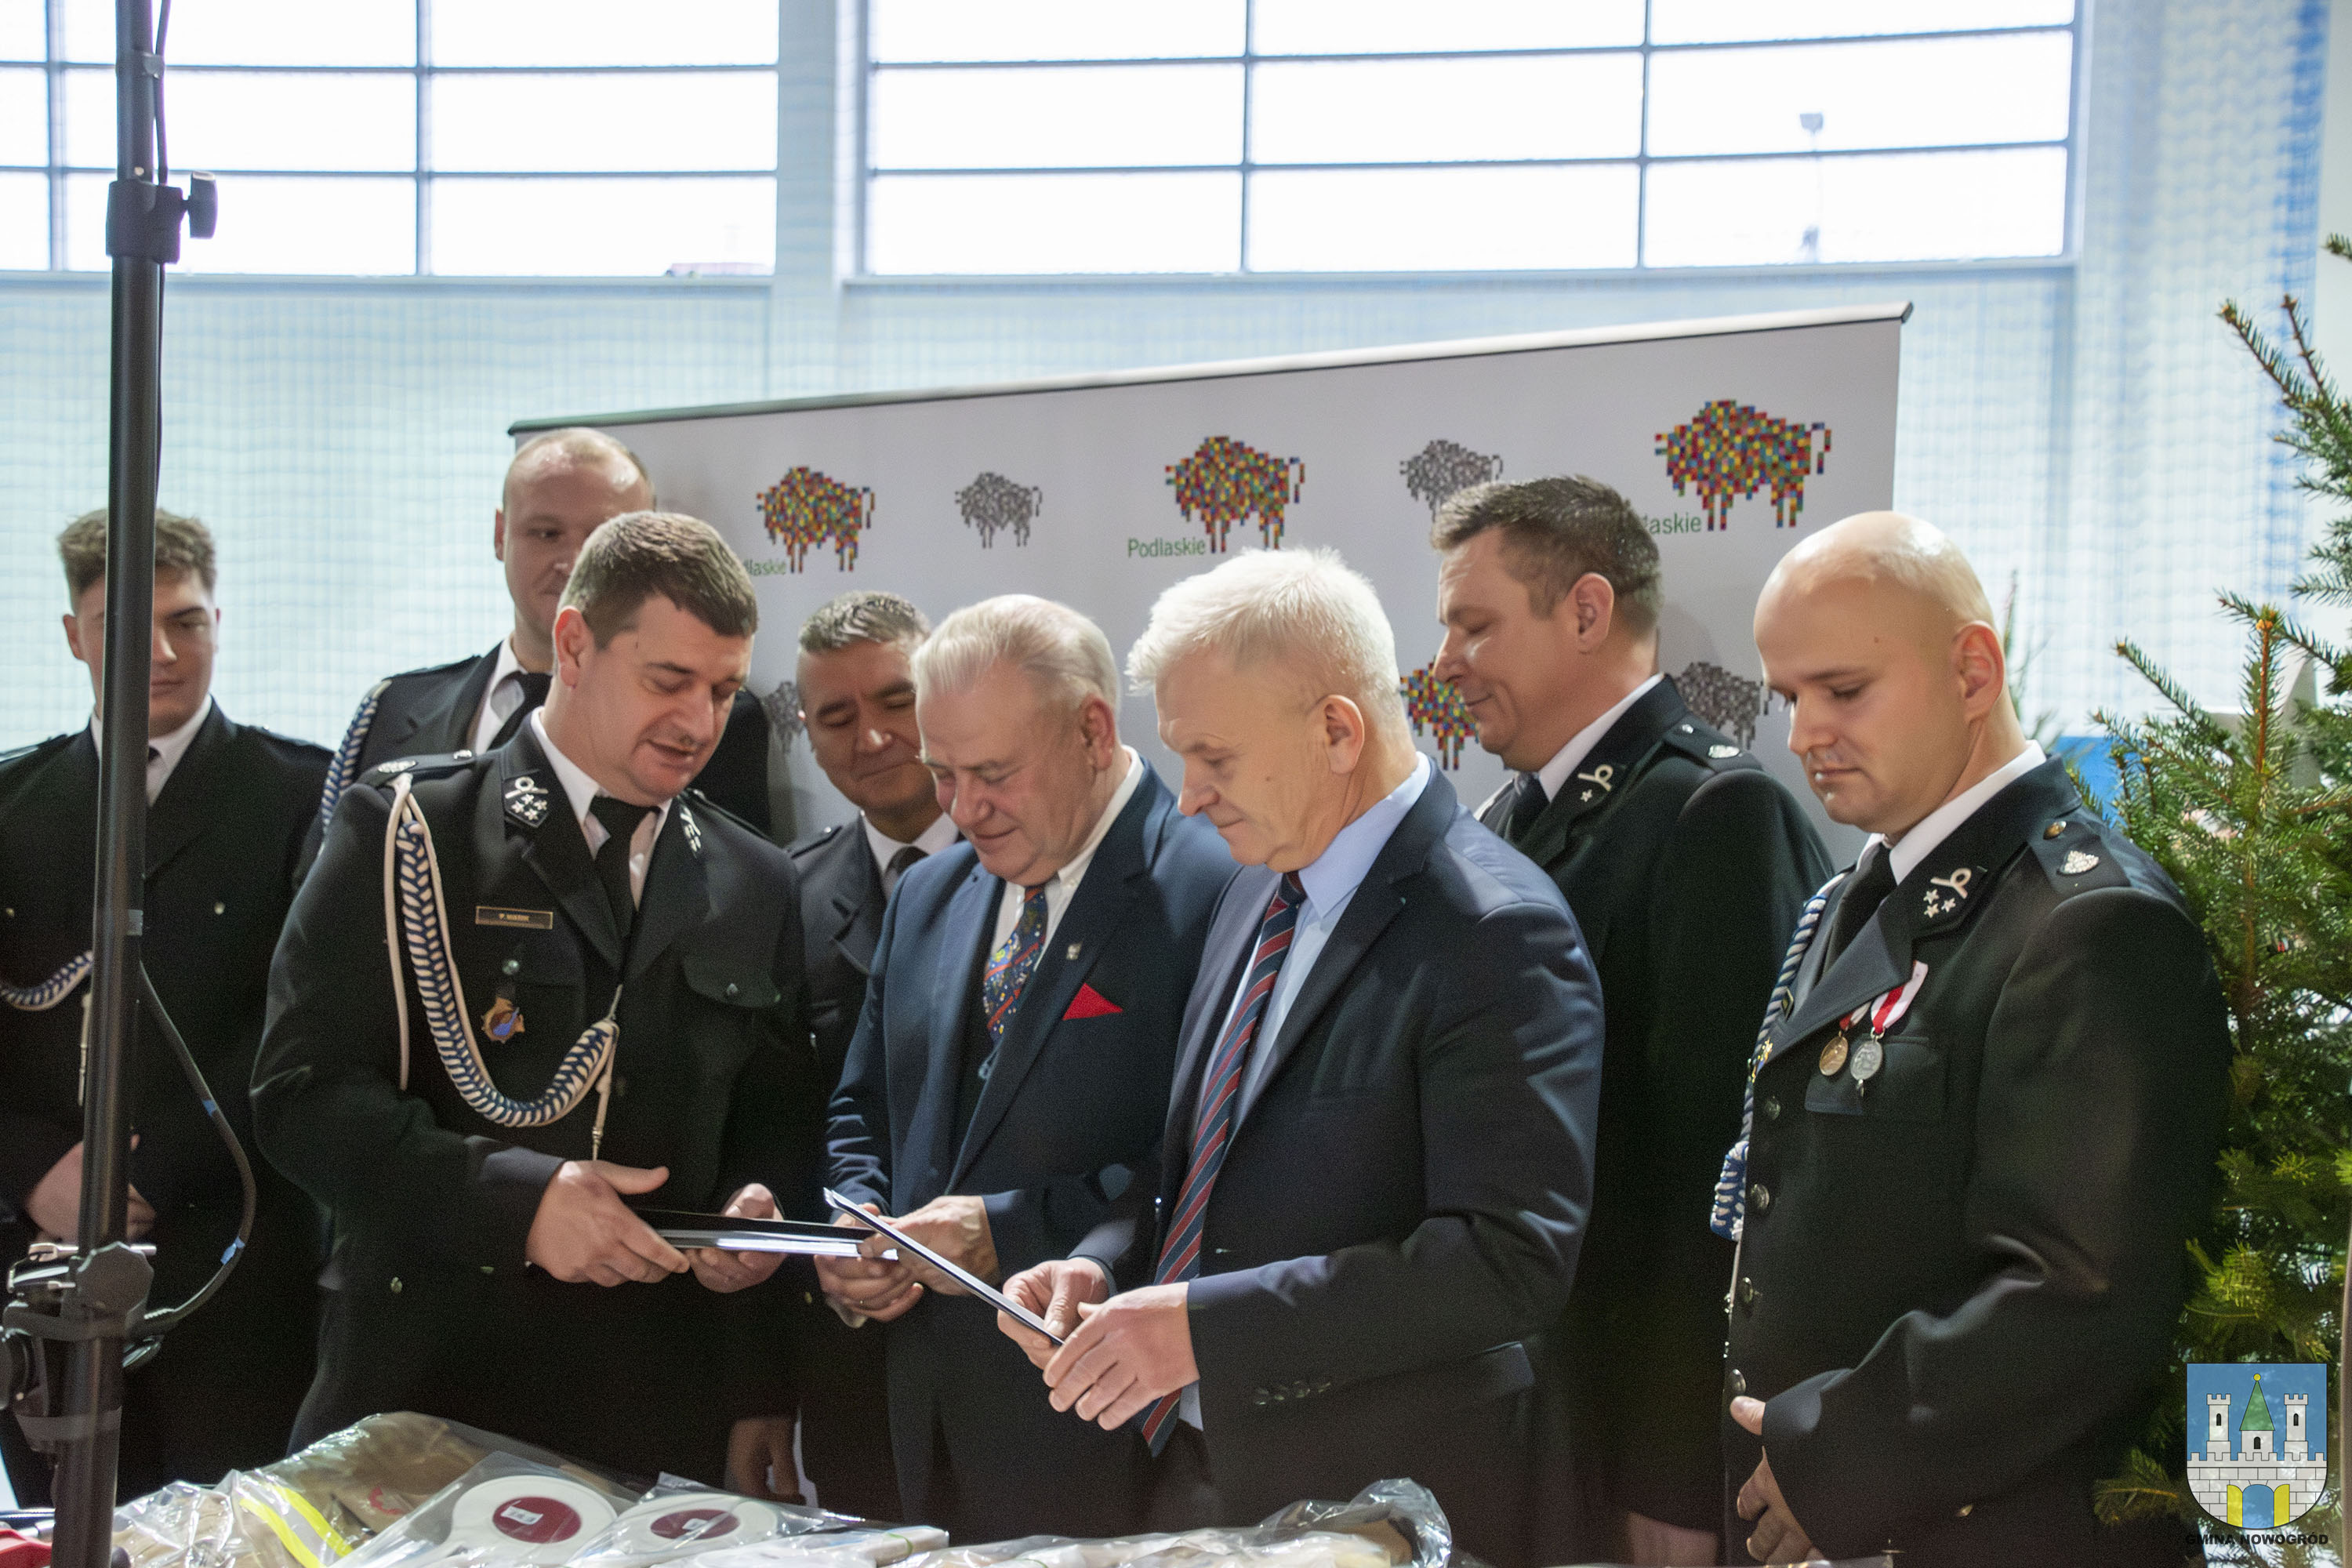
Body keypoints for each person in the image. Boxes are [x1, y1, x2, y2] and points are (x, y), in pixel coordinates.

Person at [998, 550, 1604, 1568]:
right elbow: (1203, 1164)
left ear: (1337, 731)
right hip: (1197, 1474)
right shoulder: (1254, 884)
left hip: (1383, 1504)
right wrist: (1102, 1266)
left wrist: (1203, 1328)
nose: (1188, 799)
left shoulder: (1495, 929)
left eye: (1215, 758)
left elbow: (1507, 1262)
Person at [254, 512, 825, 1490]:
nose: (699, 721)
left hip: (652, 1421)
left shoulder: (754, 876)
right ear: (574, 644)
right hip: (428, 1397)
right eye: (668, 680)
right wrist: (516, 1204)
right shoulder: (410, 828)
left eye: (724, 689)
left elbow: (772, 1120)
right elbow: (300, 1097)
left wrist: (751, 1223)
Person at [1722, 512, 2229, 1566]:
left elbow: (2080, 1293)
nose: (1804, 733)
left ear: (1972, 672)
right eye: (1788, 698)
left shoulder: (2086, 921)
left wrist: (1839, 1457)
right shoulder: (1860, 895)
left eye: (1843, 690)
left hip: (1971, 1529)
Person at [1431, 477, 1831, 1566]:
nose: (1446, 661)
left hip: (1626, 1446)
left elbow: (1722, 1188)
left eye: (1475, 625)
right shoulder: (1510, 815)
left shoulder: (1714, 810)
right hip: (1524, 1419)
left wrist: (1674, 1473)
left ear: (1586, 611)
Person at [818, 595, 1234, 1541]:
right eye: (943, 772)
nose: (962, 808)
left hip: (1112, 1445)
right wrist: (855, 1223)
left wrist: (1005, 1231)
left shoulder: (1219, 886)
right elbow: (863, 1106)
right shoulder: (928, 890)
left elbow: (1214, 1169)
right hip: (924, 1422)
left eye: (994, 773)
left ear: (1093, 729)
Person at [0, 510, 328, 1502]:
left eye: (185, 620)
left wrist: (141, 1171)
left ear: (219, 621)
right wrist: (33, 1164)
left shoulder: (306, 799)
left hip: (234, 1268)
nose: (162, 652)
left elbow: (308, 1022)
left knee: (237, 1538)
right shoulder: (12, 808)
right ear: (73, 635)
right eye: (123, 625)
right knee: (63, 1534)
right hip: (42, 1268)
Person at [309, 428, 777, 862]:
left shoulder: (717, 722)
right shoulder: (393, 708)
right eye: (547, 533)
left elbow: (726, 890)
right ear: (501, 534)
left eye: (604, 538)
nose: (573, 561)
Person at [786, 590, 954, 1519]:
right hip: (850, 1367)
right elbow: (774, 1135)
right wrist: (759, 1392)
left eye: (898, 700)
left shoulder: (1048, 872)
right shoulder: (784, 896)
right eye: (837, 716)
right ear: (808, 737)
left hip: (1029, 1358)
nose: (875, 736)